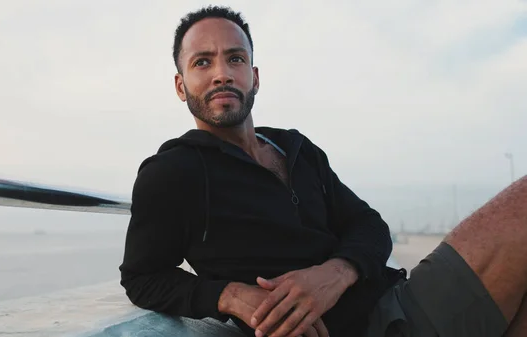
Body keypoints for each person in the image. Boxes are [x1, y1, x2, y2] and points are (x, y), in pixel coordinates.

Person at [119, 5, 527, 337]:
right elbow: (141, 276)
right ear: (180, 86)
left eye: (235, 58)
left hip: (392, 297)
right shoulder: (172, 172)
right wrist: (231, 296)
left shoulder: (297, 149)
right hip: (376, 327)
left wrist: (334, 274)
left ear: (254, 77)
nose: (221, 72)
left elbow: (369, 224)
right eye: (202, 62)